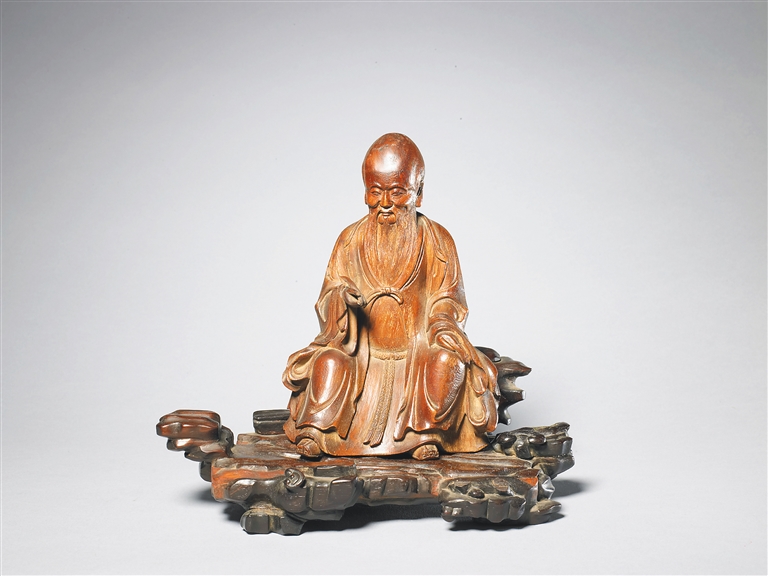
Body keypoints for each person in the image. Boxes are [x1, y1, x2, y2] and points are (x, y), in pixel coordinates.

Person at [282, 133, 499, 460]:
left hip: (417, 353)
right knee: (328, 362)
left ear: (419, 193)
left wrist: (442, 323)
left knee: (447, 364)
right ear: (365, 192)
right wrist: (342, 299)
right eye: (375, 191)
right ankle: (317, 431)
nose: (385, 202)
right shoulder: (350, 240)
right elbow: (328, 294)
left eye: (397, 192)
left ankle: (424, 434)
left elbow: (448, 298)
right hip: (361, 354)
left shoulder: (437, 241)